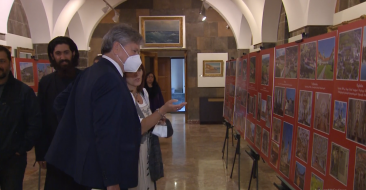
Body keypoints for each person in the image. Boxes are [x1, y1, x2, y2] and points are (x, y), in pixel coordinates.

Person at [45, 24, 184, 190]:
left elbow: (63, 106)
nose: (137, 57)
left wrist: (83, 134)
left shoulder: (91, 72)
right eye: (134, 51)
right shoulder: (110, 79)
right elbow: (107, 133)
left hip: (86, 165)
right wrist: (112, 182)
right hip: (102, 172)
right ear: (117, 48)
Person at [34, 36, 86, 190]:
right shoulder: (46, 83)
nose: (62, 57)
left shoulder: (84, 79)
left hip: (80, 148)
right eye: (58, 54)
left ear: (74, 54)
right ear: (52, 56)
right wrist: (41, 152)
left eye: (66, 53)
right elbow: (41, 118)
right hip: (55, 148)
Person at [125, 65, 185, 190]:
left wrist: (159, 120)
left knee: (149, 183)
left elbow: (148, 121)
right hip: (134, 152)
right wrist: (163, 110)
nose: (137, 74)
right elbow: (139, 127)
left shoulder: (143, 93)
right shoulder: (124, 97)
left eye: (140, 70)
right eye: (132, 71)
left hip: (149, 148)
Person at [0, 45, 42, 190]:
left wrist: (21, 148)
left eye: (2, 61)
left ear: (10, 63)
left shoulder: (23, 92)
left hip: (13, 159)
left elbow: (35, 122)